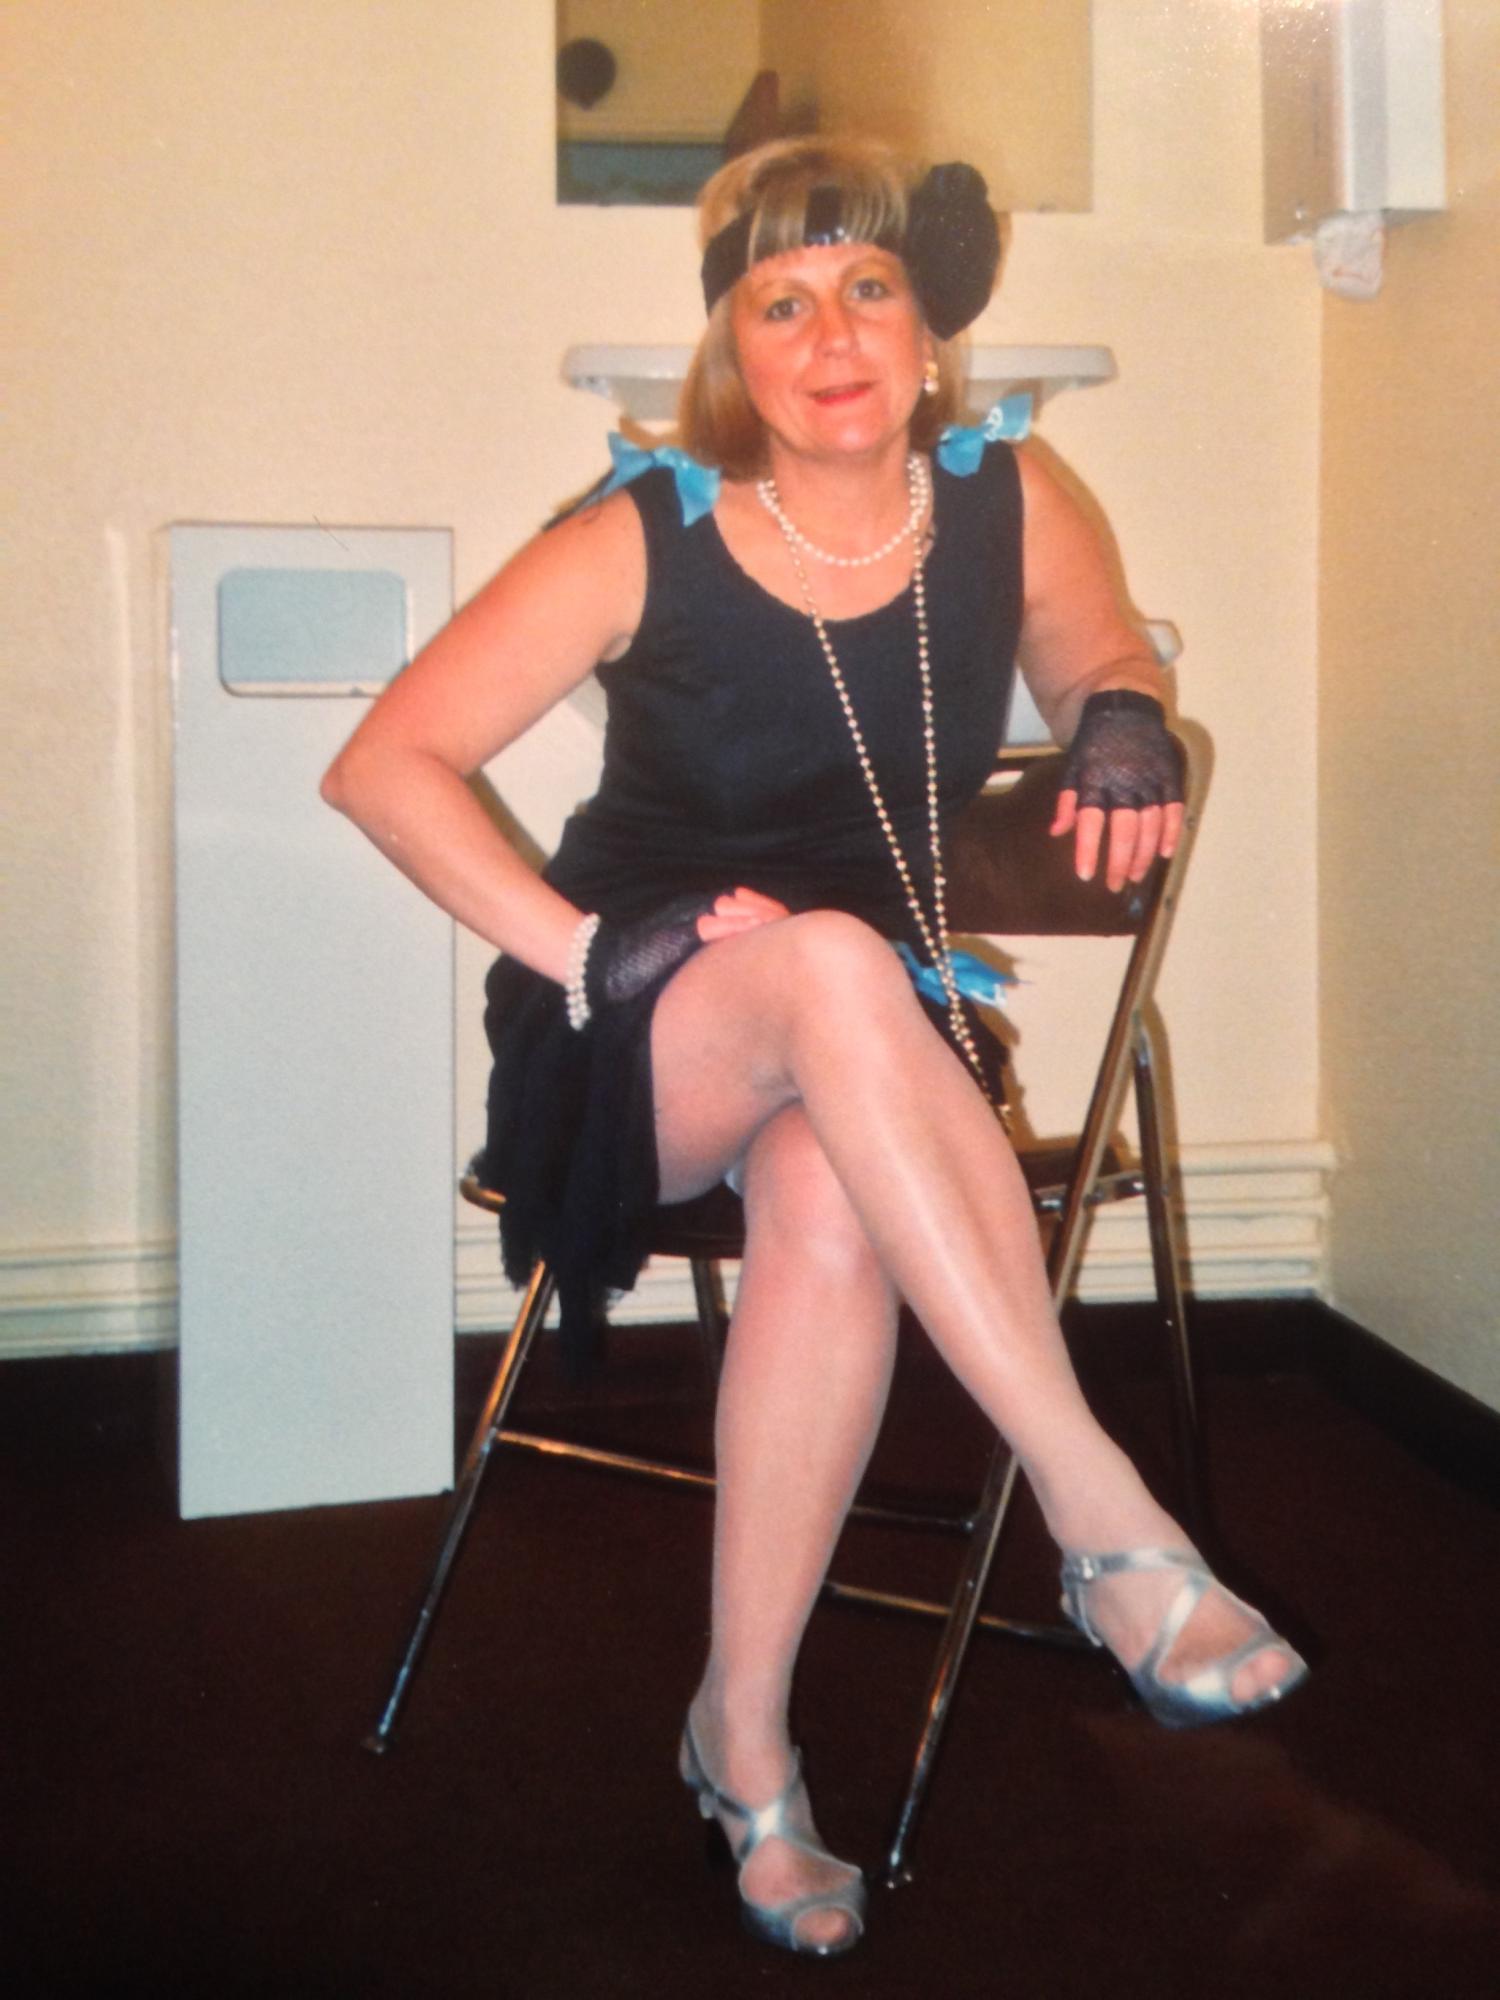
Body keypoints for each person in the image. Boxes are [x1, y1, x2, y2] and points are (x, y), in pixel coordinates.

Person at [322, 136, 1307, 1960]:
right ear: (733, 347)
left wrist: (1120, 712)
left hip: (867, 1051)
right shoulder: (646, 530)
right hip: (639, 1028)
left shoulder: (1012, 499)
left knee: (836, 1191)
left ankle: (745, 1743)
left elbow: (1100, 646)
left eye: (868, 289)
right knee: (835, 965)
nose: (832, 334)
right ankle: (1105, 1521)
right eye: (781, 302)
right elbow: (385, 763)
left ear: (929, 334)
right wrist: (582, 948)